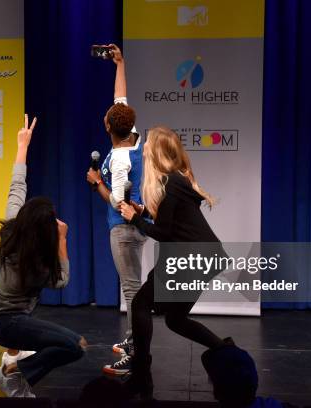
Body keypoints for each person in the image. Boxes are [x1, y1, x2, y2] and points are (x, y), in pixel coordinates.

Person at [0, 115, 87, 398]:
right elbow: (62, 280)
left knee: (29, 323)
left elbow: (17, 184)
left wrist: (22, 144)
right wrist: (63, 239)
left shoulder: (13, 229)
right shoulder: (36, 263)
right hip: (5, 324)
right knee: (75, 346)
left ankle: (13, 357)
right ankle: (14, 376)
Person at [119, 126, 231, 399]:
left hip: (191, 256)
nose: (143, 149)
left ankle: (141, 376)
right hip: (203, 255)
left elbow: (165, 233)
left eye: (147, 146)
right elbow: (172, 224)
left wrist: (134, 219)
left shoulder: (170, 183)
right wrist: (144, 213)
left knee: (141, 304)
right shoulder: (177, 181)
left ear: (156, 151)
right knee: (176, 319)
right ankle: (228, 353)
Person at [86, 44, 147, 377]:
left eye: (108, 115)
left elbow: (119, 202)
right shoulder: (132, 136)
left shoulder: (122, 161)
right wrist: (119, 63)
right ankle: (132, 339)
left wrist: (97, 184)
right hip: (131, 227)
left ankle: (136, 352)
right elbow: (120, 98)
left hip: (125, 229)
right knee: (133, 288)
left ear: (108, 126)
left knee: (132, 291)